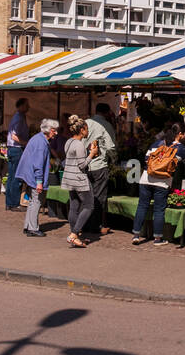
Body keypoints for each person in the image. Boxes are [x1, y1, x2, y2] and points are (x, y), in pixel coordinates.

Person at [133, 124, 185, 246]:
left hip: (146, 178)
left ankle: (136, 235)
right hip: (163, 181)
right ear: (180, 134)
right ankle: (158, 239)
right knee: (159, 210)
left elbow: (146, 159)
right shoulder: (181, 149)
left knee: (142, 206)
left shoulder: (156, 144)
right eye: (184, 134)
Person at [15, 118, 58, 237]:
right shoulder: (41, 143)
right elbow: (38, 165)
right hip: (34, 176)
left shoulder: (38, 139)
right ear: (48, 131)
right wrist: (39, 182)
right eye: (54, 130)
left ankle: (28, 226)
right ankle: (33, 228)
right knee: (37, 201)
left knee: (33, 201)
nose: (55, 133)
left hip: (30, 174)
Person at [61, 115, 98, 248]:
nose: (87, 132)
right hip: (79, 179)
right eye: (86, 129)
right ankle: (74, 234)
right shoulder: (79, 144)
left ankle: (74, 235)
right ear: (82, 130)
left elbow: (73, 160)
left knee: (74, 206)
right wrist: (92, 154)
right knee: (89, 205)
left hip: (69, 178)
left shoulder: (68, 142)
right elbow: (82, 165)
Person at [84, 103, 118, 235]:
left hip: (85, 164)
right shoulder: (106, 125)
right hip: (99, 165)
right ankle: (95, 226)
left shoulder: (85, 123)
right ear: (107, 112)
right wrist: (114, 159)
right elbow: (110, 147)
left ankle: (84, 223)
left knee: (87, 196)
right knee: (98, 197)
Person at [4, 98, 32, 211]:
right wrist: (26, 143)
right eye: (26, 105)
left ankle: (9, 202)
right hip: (16, 149)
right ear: (21, 106)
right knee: (16, 177)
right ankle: (14, 203)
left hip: (12, 149)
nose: (28, 107)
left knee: (12, 176)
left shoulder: (19, 117)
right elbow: (14, 136)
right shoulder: (19, 118)